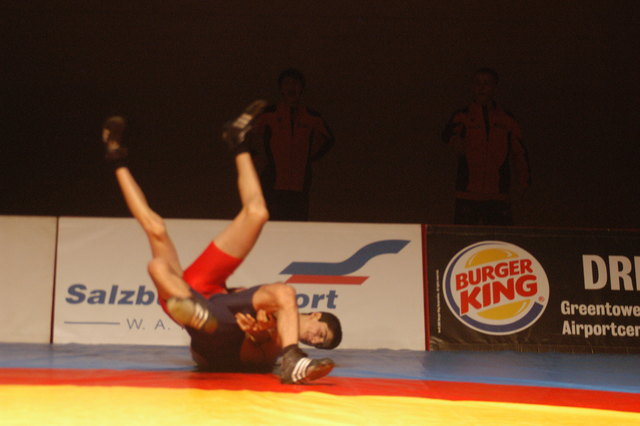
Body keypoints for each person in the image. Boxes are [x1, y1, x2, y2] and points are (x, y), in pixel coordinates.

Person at [100, 101, 342, 384]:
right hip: (207, 293)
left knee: (157, 264)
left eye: (319, 344)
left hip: (203, 312)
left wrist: (257, 337)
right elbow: (237, 298)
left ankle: (194, 310)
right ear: (316, 314)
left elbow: (250, 354)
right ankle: (237, 142)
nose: (315, 340)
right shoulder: (280, 306)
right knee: (257, 213)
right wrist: (250, 323)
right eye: (321, 334)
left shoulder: (278, 340)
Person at [442, 68, 531, 225]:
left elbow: (519, 153)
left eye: (486, 83)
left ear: (494, 87)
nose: (481, 88)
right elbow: (447, 138)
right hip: (467, 194)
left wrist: (523, 183)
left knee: (500, 238)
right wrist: (456, 142)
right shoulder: (462, 116)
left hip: (498, 195)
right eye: (477, 83)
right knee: (465, 239)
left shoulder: (507, 119)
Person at [250, 68, 334, 221]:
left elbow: (330, 139)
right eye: (287, 83)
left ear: (301, 88)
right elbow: (244, 134)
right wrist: (255, 156)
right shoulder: (269, 113)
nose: (291, 87)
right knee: (272, 222)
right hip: (273, 179)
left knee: (298, 222)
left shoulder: (312, 116)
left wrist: (313, 158)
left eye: (295, 83)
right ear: (281, 89)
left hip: (300, 180)